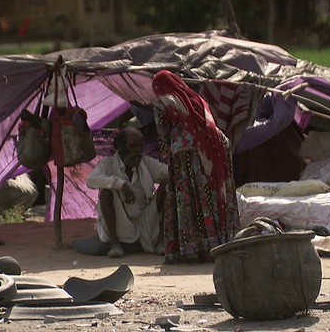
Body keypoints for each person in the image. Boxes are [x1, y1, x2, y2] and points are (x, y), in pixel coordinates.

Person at [152, 70, 240, 264]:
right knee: (212, 198)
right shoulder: (197, 100)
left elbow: (164, 136)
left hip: (185, 156)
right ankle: (218, 244)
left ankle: (192, 249)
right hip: (215, 149)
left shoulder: (161, 104)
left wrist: (169, 156)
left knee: (191, 201)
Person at [86, 127, 168, 258]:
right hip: (120, 223)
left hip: (145, 221)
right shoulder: (108, 164)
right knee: (106, 193)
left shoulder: (146, 163)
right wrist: (120, 184)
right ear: (120, 146)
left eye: (140, 146)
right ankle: (115, 245)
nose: (138, 150)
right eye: (133, 146)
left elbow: (169, 173)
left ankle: (161, 242)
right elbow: (91, 180)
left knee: (168, 186)